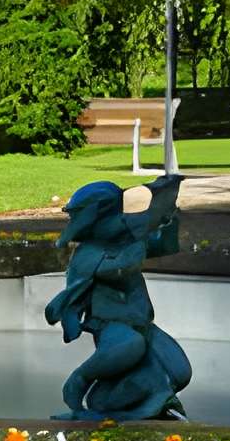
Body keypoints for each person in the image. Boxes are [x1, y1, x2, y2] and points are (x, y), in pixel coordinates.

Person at [46, 170, 193, 420]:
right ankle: (81, 377)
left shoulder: (129, 240)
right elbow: (117, 270)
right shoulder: (89, 253)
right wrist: (136, 242)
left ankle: (151, 400)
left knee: (179, 370)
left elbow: (164, 245)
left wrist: (168, 217)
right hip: (111, 325)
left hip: (143, 323)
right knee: (130, 346)